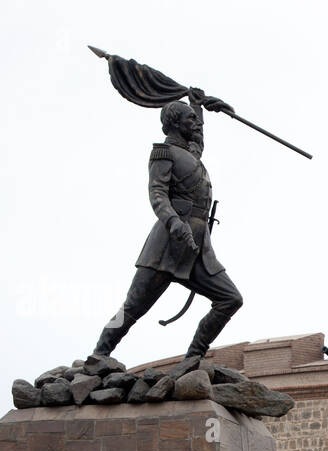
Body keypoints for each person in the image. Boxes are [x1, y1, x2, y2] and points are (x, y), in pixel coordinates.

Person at [93, 96, 242, 359]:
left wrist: (200, 106)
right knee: (132, 308)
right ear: (175, 123)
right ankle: (99, 354)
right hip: (166, 245)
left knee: (230, 299)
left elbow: (197, 141)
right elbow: (157, 193)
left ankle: (193, 358)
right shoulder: (163, 152)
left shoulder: (191, 154)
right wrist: (174, 222)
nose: (194, 124)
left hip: (197, 247)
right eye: (189, 119)